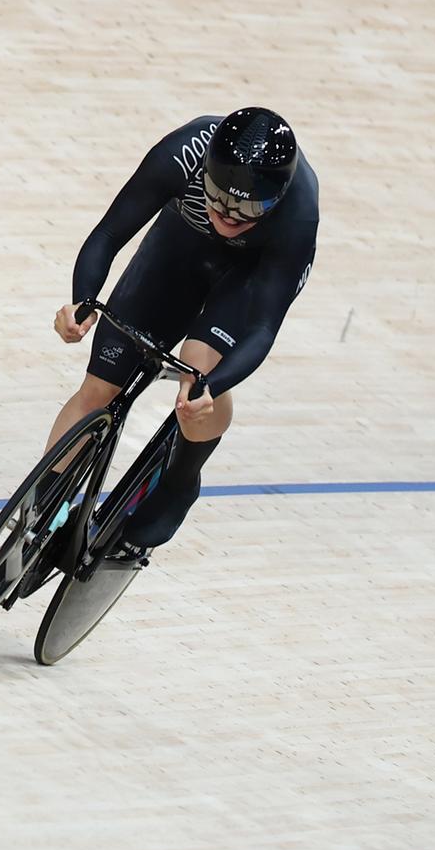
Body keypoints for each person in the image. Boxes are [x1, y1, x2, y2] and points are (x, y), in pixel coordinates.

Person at [44, 106, 318, 564]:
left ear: (277, 198)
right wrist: (82, 299)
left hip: (246, 277)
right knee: (98, 387)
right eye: (216, 196)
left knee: (198, 377)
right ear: (205, 168)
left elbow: (264, 327)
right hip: (180, 247)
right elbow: (111, 232)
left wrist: (215, 384)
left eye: (247, 209)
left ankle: (179, 480)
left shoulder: (298, 213)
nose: (228, 215)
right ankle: (42, 507)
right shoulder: (183, 152)